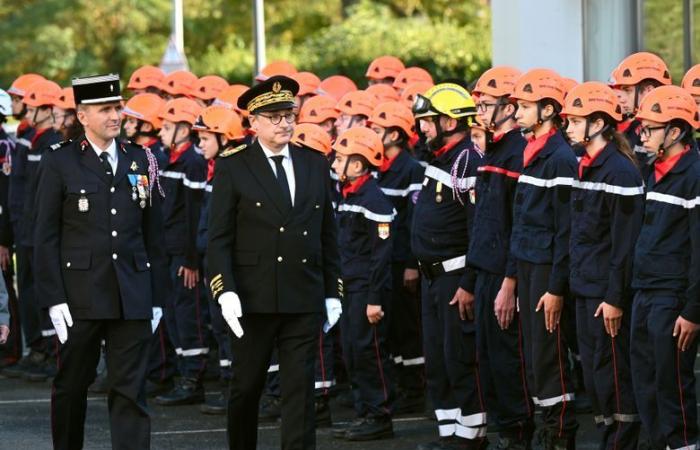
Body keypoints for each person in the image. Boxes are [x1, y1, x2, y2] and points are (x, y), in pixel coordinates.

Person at [206, 75, 342, 450]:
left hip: (302, 293)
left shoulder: (313, 163)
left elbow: (328, 232)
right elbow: (218, 238)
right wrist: (225, 290)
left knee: (299, 392)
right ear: (254, 123)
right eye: (275, 116)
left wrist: (334, 290)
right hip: (254, 297)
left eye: (288, 114)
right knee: (247, 386)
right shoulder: (234, 166)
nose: (285, 123)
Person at [34, 73, 168, 450]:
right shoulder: (59, 162)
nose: (115, 115)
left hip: (131, 291)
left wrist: (157, 296)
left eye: (118, 107)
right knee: (73, 385)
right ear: (82, 115)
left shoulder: (142, 158)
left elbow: (154, 236)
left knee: (129, 390)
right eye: (105, 109)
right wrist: (54, 297)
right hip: (81, 295)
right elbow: (44, 236)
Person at [562, 81, 644, 450]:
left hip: (604, 295)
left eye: (576, 120)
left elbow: (624, 246)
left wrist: (615, 297)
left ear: (598, 123)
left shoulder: (620, 172)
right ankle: (609, 437)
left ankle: (621, 442)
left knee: (613, 375)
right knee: (596, 377)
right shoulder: (587, 167)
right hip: (585, 288)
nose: (569, 127)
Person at [410, 83, 486, 450]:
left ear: (449, 121)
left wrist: (469, 282)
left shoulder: (468, 160)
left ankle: (471, 438)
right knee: (438, 362)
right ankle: (450, 436)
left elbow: (478, 229)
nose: (422, 128)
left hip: (454, 279)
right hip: (432, 279)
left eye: (428, 120)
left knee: (459, 360)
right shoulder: (441, 157)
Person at [466, 66, 535, 450]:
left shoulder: (518, 154)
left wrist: (509, 284)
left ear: (509, 108)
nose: (480, 110)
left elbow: (518, 226)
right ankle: (509, 432)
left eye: (487, 104)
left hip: (506, 277)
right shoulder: (493, 149)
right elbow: (485, 222)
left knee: (510, 361)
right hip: (486, 273)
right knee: (489, 361)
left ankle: (519, 433)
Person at [509, 68, 579, 449]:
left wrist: (555, 287)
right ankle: (547, 427)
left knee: (550, 356)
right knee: (535, 356)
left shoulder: (560, 159)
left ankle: (561, 432)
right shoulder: (533, 153)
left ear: (548, 110)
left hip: (547, 273)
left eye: (524, 106)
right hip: (528, 266)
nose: (517, 113)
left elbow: (565, 230)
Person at [631, 85, 700, 450]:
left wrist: (692, 310)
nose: (642, 134)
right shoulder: (651, 170)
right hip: (645, 291)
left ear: (675, 132)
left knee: (672, 388)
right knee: (647, 384)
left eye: (651, 128)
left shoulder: (694, 175)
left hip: (672, 300)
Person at [330, 126, 396, 441]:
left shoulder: (374, 200)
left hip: (365, 290)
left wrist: (375, 299)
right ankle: (364, 412)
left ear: (358, 165)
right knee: (352, 350)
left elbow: (381, 257)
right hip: (349, 287)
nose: (334, 164)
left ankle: (380, 415)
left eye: (341, 159)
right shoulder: (349, 193)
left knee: (369, 351)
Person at [367, 101, 427, 414]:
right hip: (385, 264)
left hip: (403, 262)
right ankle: (400, 385)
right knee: (390, 328)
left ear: (394, 134)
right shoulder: (378, 169)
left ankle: (415, 388)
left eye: (377, 130)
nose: (373, 135)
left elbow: (411, 223)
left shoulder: (411, 169)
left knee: (407, 328)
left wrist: (411, 265)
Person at [153, 97, 210, 406]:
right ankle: (182, 374)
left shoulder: (193, 162)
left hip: (183, 254)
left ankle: (194, 377)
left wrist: (191, 260)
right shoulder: (169, 158)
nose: (161, 132)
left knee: (190, 315)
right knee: (174, 313)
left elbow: (193, 215)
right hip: (168, 250)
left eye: (167, 126)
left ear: (184, 130)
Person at [193, 105, 246, 415]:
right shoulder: (216, 169)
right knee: (220, 327)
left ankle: (240, 390)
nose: (199, 143)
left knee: (233, 328)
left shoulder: (233, 171)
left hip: (231, 266)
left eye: (205, 137)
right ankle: (230, 386)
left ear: (225, 138)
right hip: (213, 261)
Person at [609, 52, 672, 177]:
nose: (621, 99)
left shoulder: (670, 130)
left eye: (628, 90)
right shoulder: (634, 129)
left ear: (649, 91)